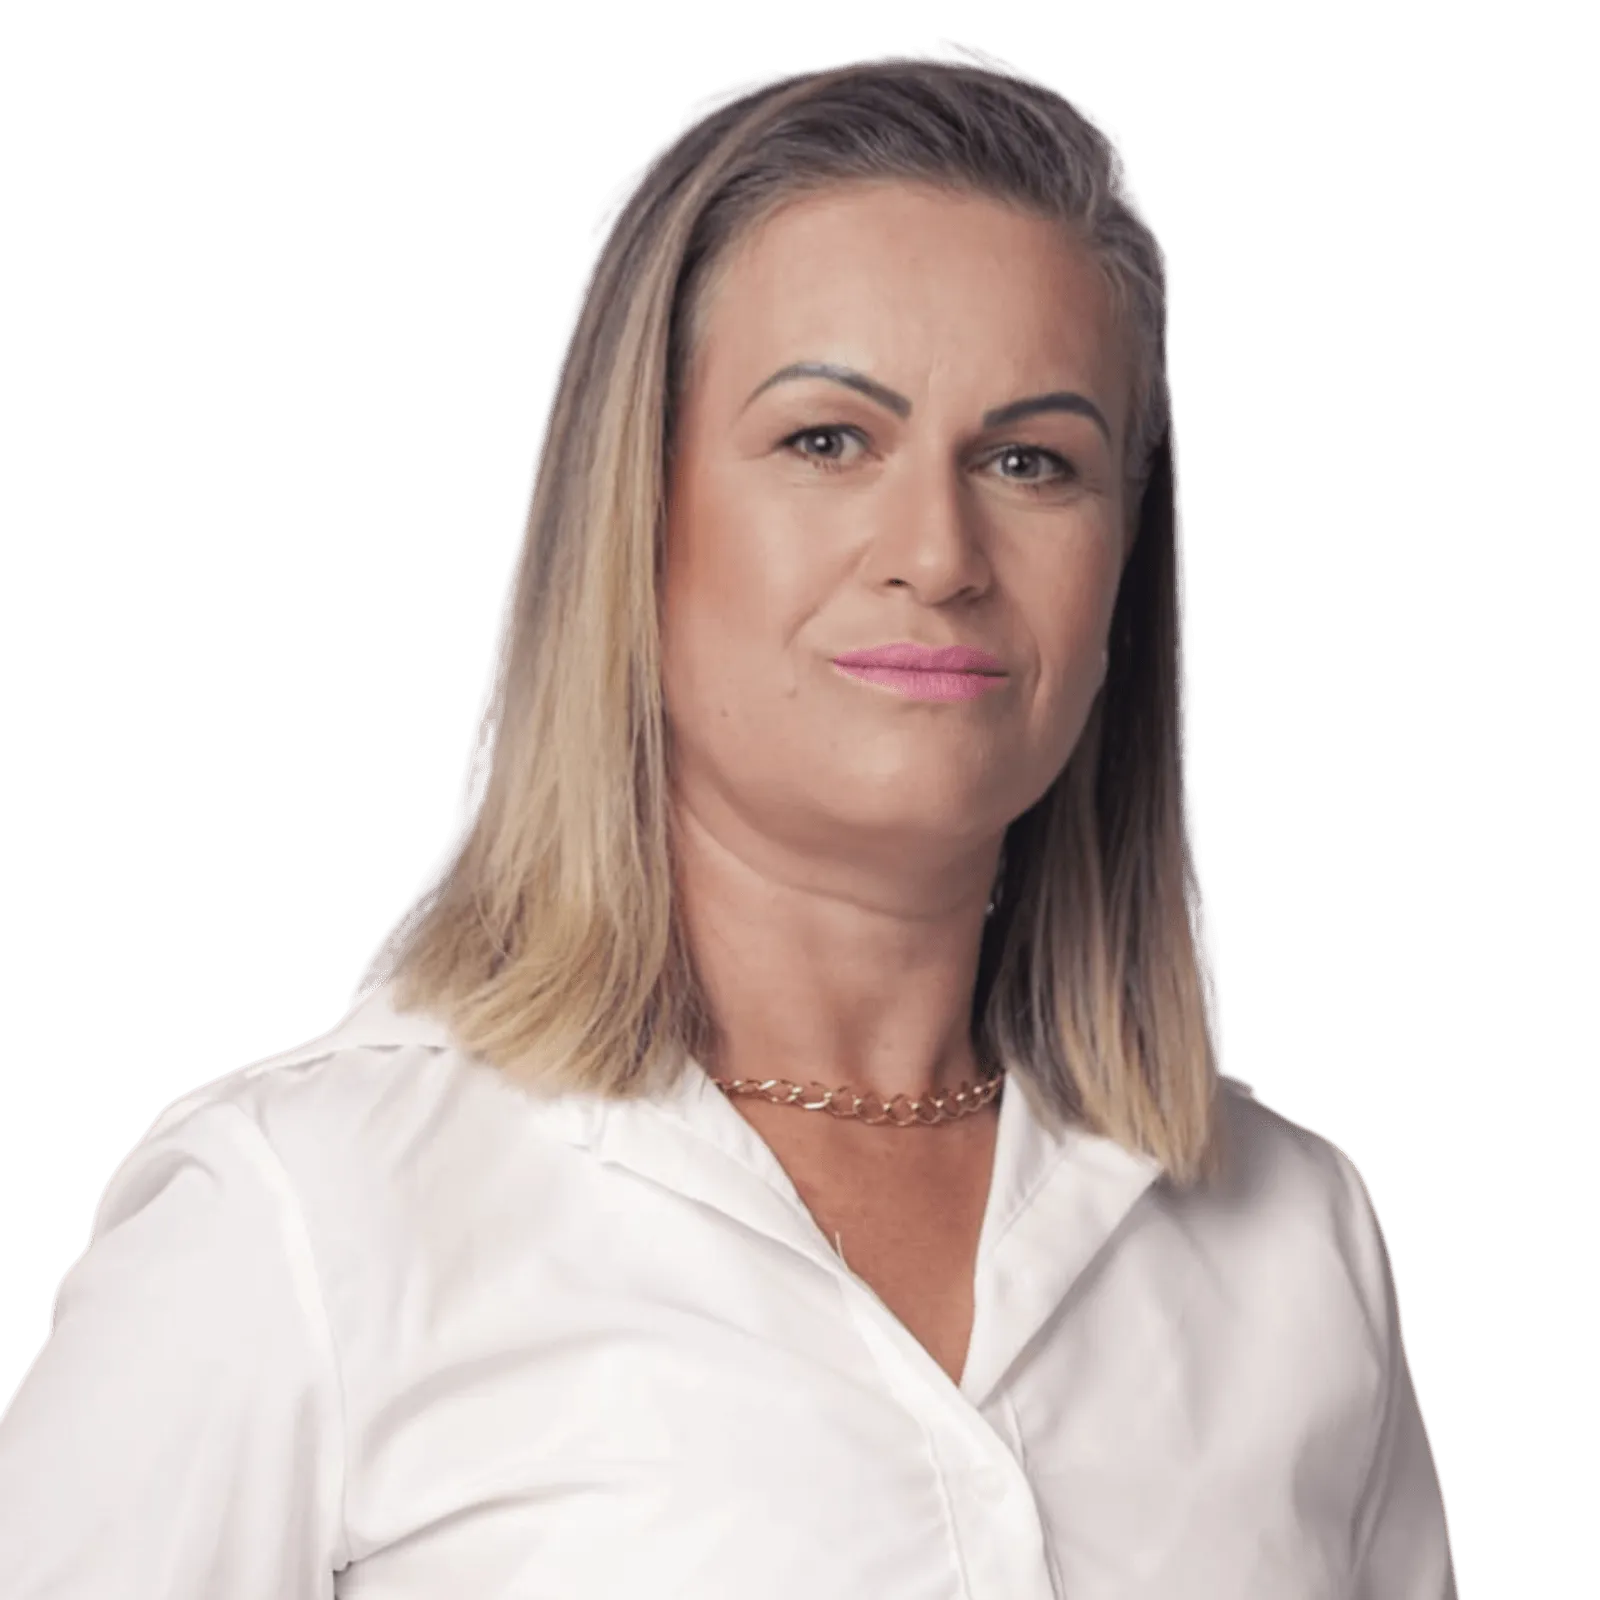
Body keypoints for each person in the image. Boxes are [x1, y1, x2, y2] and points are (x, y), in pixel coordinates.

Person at [0, 38, 1459, 1599]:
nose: (937, 553)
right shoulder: (305, 1220)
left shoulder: (1297, 1244)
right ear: (638, 515)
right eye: (827, 440)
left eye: (1032, 461)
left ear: (1124, 566)